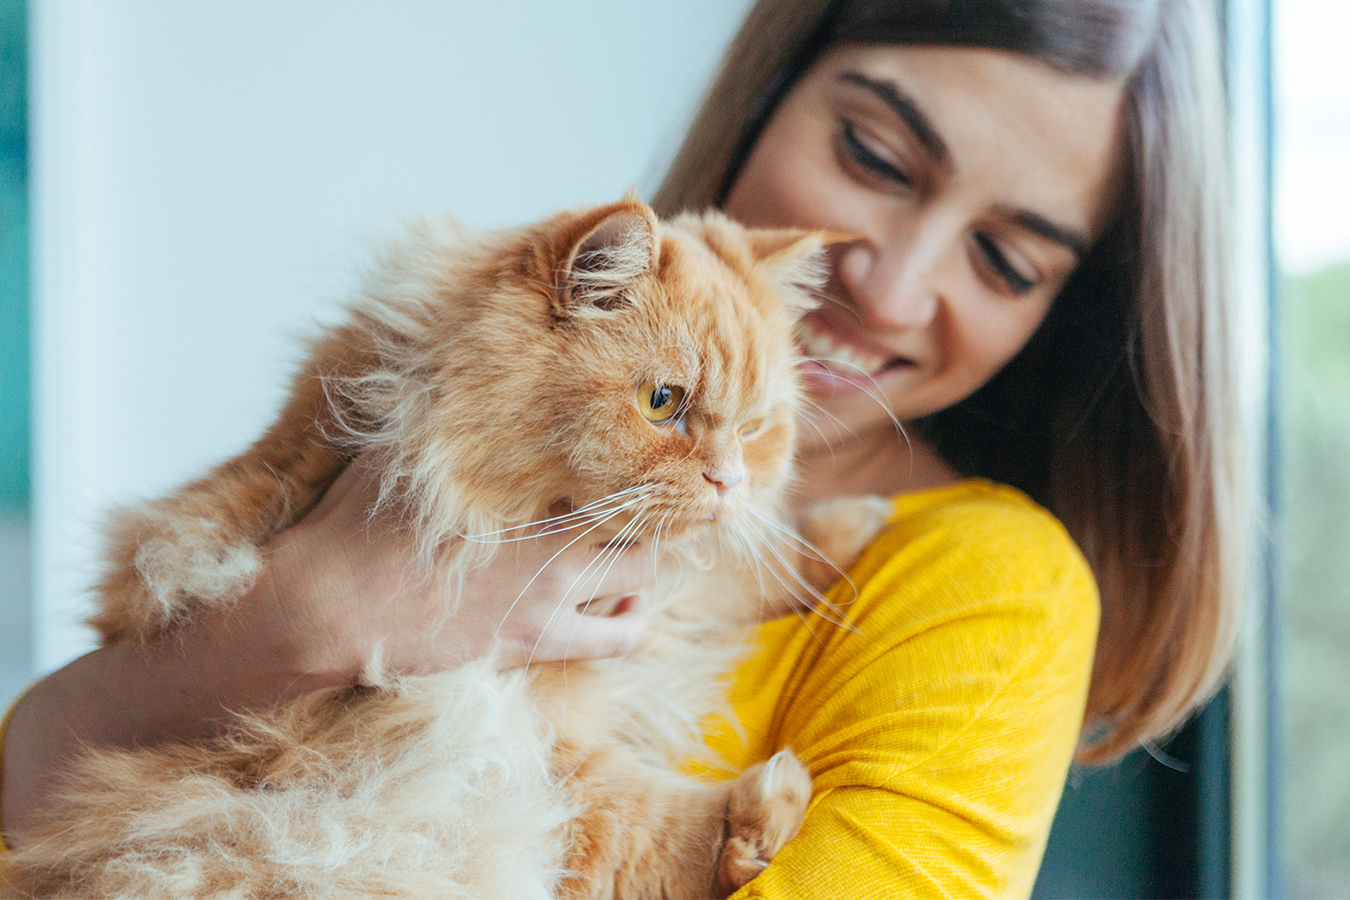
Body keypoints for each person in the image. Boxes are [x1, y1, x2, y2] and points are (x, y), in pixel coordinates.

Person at [1, 0, 1241, 895]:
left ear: (1062, 313)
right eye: (874, 154)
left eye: (1006, 259)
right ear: (770, 84)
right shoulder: (508, 353)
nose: (892, 285)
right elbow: (37, 784)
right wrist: (311, 617)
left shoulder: (992, 588)